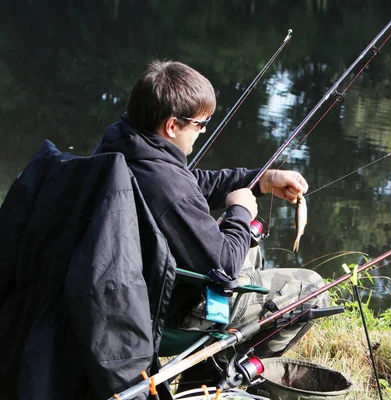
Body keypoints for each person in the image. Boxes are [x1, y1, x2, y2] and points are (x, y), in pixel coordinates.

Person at [93, 60, 329, 363]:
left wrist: (262, 180)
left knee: (251, 250)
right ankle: (226, 377)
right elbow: (225, 267)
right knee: (310, 289)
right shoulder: (165, 186)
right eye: (200, 124)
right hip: (158, 311)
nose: (203, 131)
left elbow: (192, 183)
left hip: (125, 290)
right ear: (172, 125)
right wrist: (240, 212)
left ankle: (209, 373)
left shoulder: (124, 144)